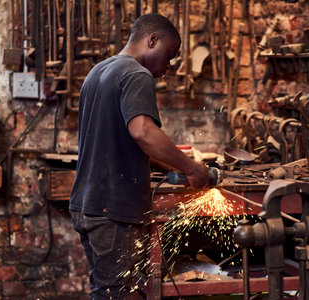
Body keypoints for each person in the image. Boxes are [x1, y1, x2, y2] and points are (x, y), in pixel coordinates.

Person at [69, 13, 213, 299]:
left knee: (109, 292)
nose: (169, 66)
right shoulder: (137, 74)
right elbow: (143, 133)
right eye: (169, 54)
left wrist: (179, 167)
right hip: (113, 212)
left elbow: (128, 141)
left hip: (88, 206)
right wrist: (192, 168)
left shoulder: (98, 72)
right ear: (152, 40)